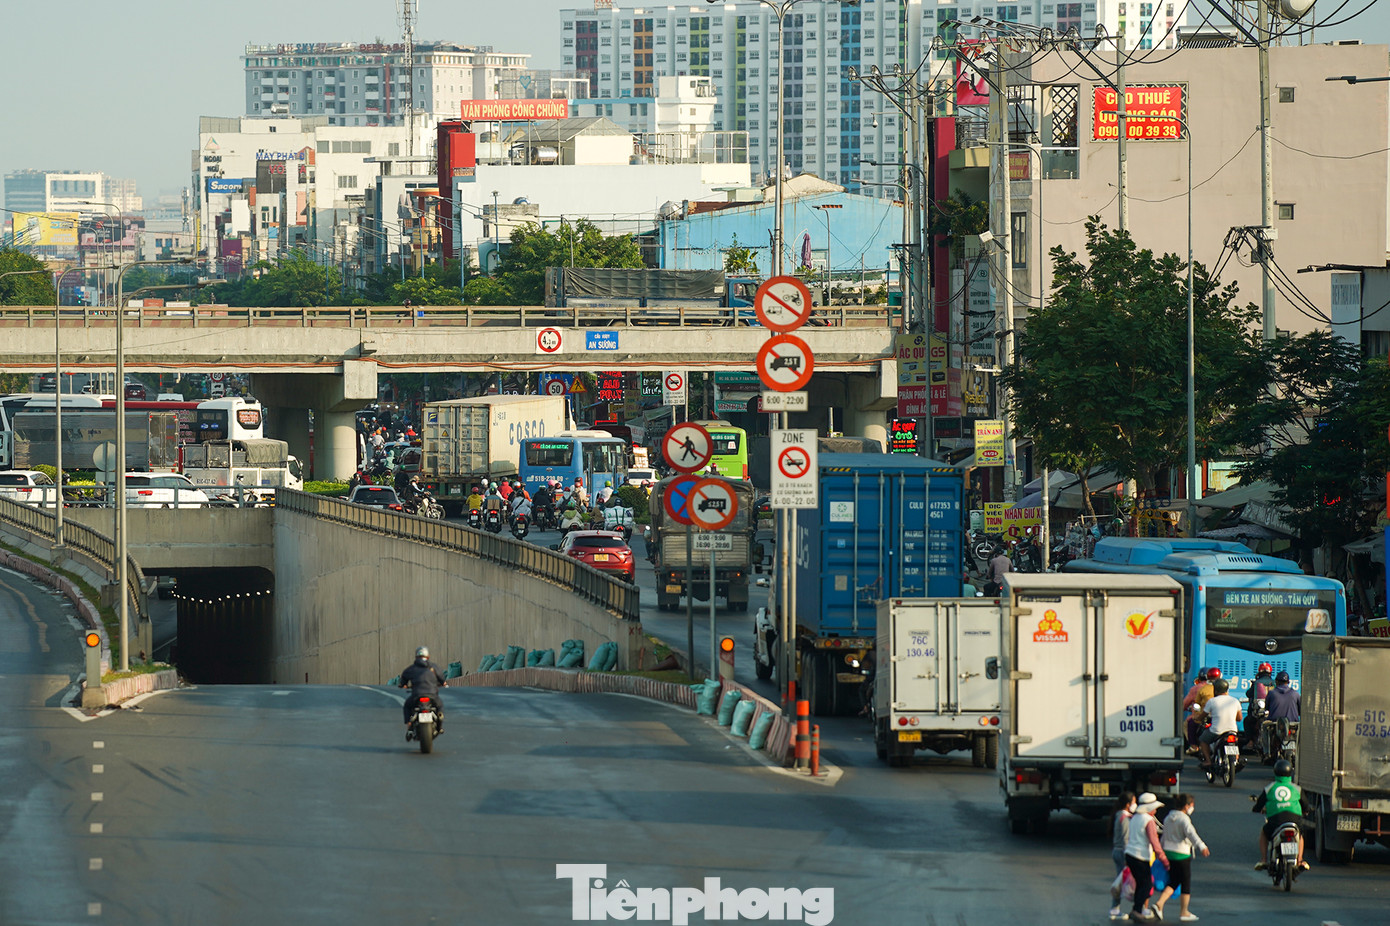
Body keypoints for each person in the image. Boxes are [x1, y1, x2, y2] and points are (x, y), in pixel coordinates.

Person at [1152, 793, 1209, 922]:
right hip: (1182, 854)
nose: (1192, 808)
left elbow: (1164, 835)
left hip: (1169, 853)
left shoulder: (1168, 817)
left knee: (1174, 881)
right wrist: (1202, 847)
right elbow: (1191, 834)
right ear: (1186, 806)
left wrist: (1160, 852)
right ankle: (1184, 911)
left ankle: (1159, 904)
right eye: (1192, 805)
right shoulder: (1184, 819)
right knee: (1185, 883)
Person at [1253, 759, 1308, 872]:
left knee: (1264, 833)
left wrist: (1257, 809)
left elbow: (1259, 805)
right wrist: (1306, 811)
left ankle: (1263, 860)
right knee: (1300, 836)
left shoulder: (1269, 788)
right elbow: (1305, 805)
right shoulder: (1297, 788)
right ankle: (1299, 860)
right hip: (1294, 820)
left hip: (1276, 820)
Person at [1124, 792, 1169, 922]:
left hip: (1130, 855)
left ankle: (1137, 910)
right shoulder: (1148, 821)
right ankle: (1137, 910)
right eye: (1154, 808)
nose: (1155, 811)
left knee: (1141, 883)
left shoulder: (1135, 818)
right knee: (1147, 884)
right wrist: (1164, 860)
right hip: (1140, 857)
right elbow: (1155, 843)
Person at [397, 645, 447, 735]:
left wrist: (403, 685)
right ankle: (440, 724)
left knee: (407, 706)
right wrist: (443, 683)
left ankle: (409, 725)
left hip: (417, 695)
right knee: (440, 706)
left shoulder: (411, 669)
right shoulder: (434, 667)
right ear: (428, 656)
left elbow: (403, 680)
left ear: (416, 657)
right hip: (432, 695)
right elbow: (442, 679)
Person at [1197, 677, 1243, 770]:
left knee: (1203, 740)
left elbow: (1203, 715)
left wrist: (1197, 718)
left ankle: (1208, 761)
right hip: (1232, 731)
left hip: (1216, 731)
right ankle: (1236, 759)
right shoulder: (1235, 701)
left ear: (1216, 690)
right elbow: (1239, 718)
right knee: (1235, 743)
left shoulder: (1212, 701)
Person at [1107, 791, 1137, 918]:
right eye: (1134, 802)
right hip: (1122, 852)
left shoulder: (1119, 815)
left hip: (1117, 851)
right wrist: (1127, 857)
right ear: (1127, 804)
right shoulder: (1124, 819)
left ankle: (1116, 907)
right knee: (1121, 882)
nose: (1135, 805)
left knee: (1121, 880)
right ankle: (1115, 908)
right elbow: (1126, 839)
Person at [1263, 670, 1301, 759]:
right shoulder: (1295, 694)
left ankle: (1266, 752)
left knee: (1264, 727)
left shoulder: (1272, 693)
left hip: (1275, 723)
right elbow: (1300, 709)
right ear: (1288, 682)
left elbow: (1267, 708)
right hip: (1292, 724)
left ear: (1276, 681)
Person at [1183, 669, 1217, 753]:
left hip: (1203, 715)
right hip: (1219, 716)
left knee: (1188, 723)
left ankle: (1193, 746)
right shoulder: (1220, 687)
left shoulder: (1199, 689)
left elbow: (1186, 703)